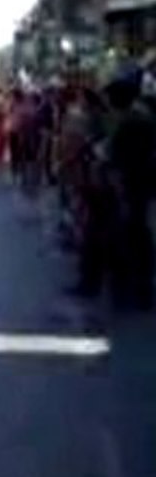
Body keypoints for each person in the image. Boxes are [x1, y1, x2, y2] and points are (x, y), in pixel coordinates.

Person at [105, 68, 156, 310]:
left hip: (130, 183)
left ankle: (133, 288)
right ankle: (139, 287)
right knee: (136, 234)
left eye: (112, 96)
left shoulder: (131, 120)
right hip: (136, 183)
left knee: (129, 235)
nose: (109, 101)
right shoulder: (139, 115)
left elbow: (117, 155)